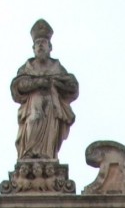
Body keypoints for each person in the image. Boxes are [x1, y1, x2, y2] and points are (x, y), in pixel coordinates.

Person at [10, 19, 78, 162]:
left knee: (50, 132)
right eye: (37, 43)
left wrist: (56, 83)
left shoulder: (56, 67)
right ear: (33, 48)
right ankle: (29, 152)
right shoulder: (27, 68)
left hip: (52, 107)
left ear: (50, 47)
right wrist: (38, 83)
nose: (40, 45)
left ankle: (47, 154)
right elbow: (18, 86)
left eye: (44, 43)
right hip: (33, 106)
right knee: (35, 119)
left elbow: (72, 86)